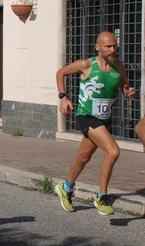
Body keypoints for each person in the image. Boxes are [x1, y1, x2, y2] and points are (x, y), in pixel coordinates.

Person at [55, 31, 135, 216]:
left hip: (104, 119)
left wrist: (128, 93)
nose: (113, 49)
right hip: (86, 116)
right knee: (113, 151)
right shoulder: (87, 64)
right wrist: (63, 97)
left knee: (84, 157)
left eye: (115, 45)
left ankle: (65, 188)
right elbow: (61, 73)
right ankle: (102, 196)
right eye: (108, 46)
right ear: (98, 47)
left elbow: (124, 89)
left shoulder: (119, 67)